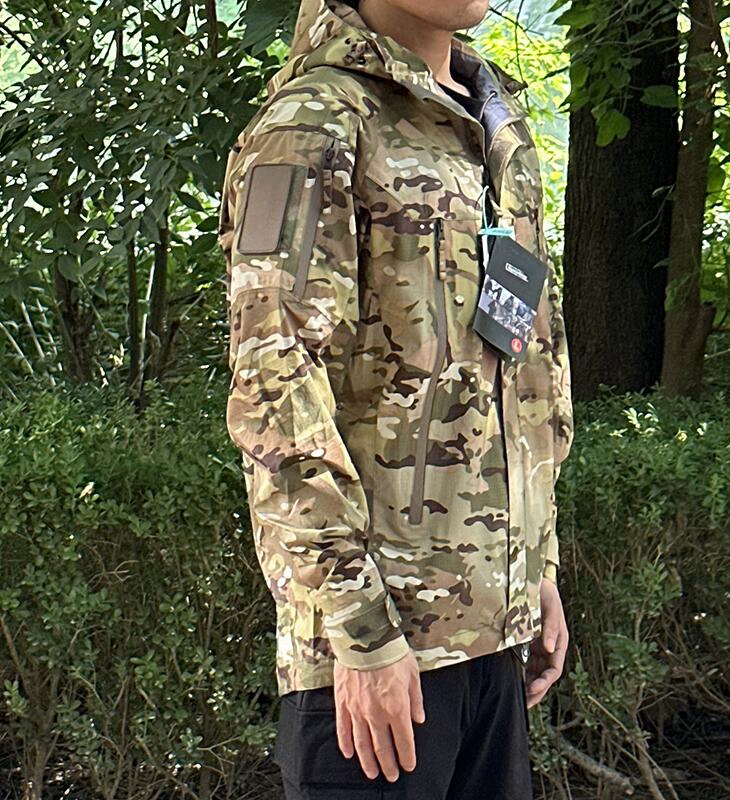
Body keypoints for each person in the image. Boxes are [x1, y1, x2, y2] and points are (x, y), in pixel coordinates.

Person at [217, 0, 574, 797]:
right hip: (377, 668)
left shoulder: (495, 125)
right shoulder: (314, 125)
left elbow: (525, 363)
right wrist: (359, 629)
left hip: (492, 644)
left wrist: (536, 563)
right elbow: (275, 387)